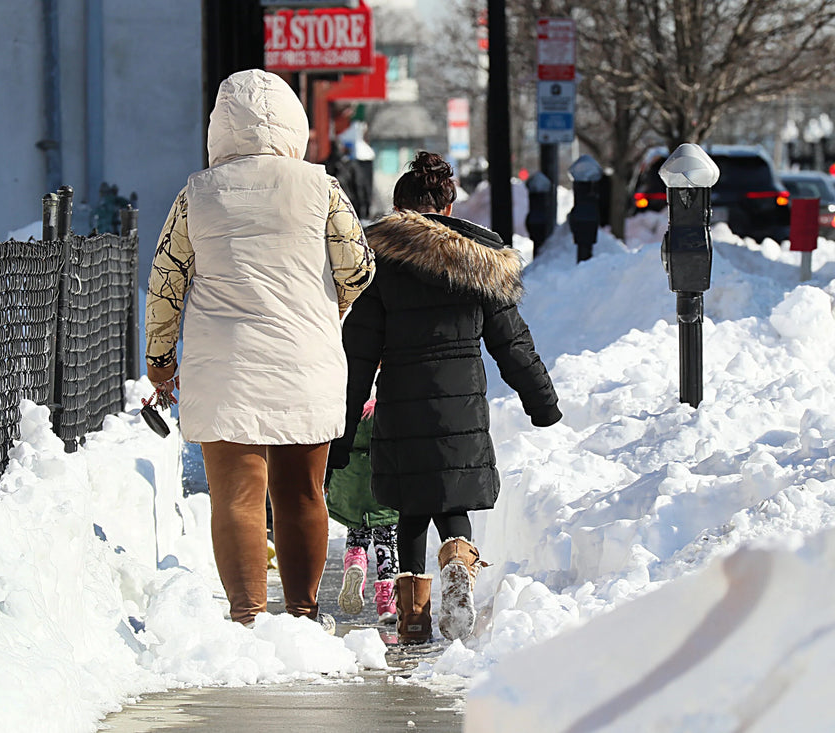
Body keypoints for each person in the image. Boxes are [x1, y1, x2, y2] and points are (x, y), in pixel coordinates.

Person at [144, 69, 375, 630]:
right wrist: (328, 308)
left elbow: (166, 282)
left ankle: (246, 616)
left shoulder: (196, 193)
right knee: (302, 494)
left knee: (238, 499)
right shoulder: (322, 188)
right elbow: (359, 267)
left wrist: (159, 358)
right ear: (294, 122)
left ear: (219, 128)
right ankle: (301, 612)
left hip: (223, 364)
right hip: (305, 358)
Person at [328, 151, 561, 644]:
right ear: (449, 210)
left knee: (410, 507)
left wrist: (342, 432)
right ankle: (458, 559)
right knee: (452, 501)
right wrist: (542, 403)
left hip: (401, 407)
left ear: (400, 210)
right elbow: (512, 343)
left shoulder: (381, 268)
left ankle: (413, 618)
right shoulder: (479, 266)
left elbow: (358, 359)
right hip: (462, 408)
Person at [325, 395, 399, 623]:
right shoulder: (390, 406)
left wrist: (329, 480)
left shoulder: (347, 402)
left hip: (352, 482)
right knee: (387, 539)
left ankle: (356, 563)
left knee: (357, 530)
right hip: (384, 478)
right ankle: (387, 601)